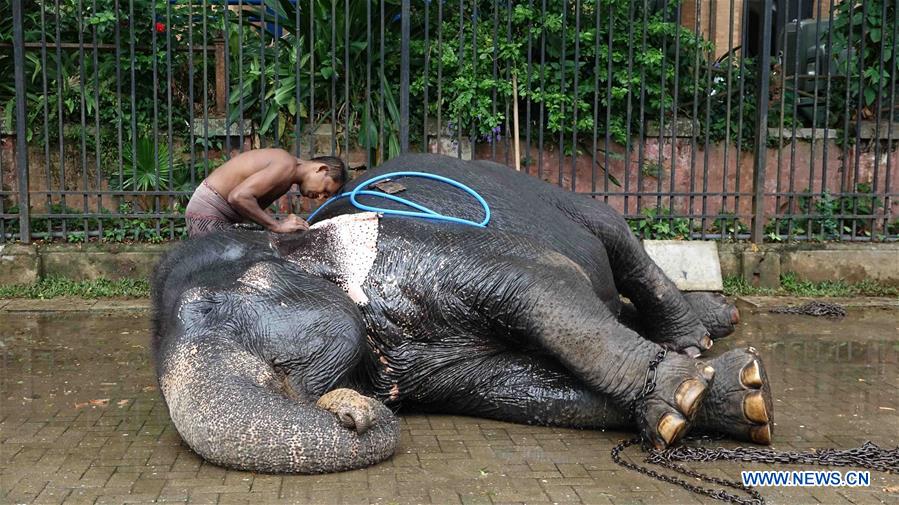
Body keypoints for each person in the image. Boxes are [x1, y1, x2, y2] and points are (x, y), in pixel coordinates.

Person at [185, 148, 347, 238]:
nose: (320, 196)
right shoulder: (287, 165)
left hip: (213, 212)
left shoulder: (288, 172)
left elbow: (247, 205)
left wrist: (281, 223)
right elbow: (238, 197)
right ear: (321, 169)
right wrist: (277, 226)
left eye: (326, 196)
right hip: (209, 212)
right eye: (325, 189)